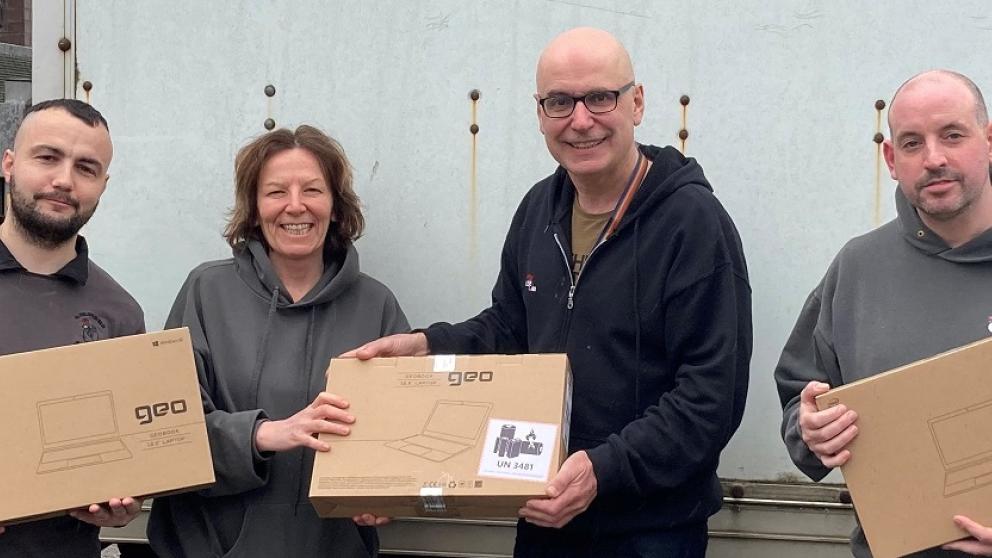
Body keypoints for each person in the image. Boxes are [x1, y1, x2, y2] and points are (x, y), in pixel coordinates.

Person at [345, 27, 751, 557]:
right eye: (560, 101)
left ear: (637, 103)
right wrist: (426, 347)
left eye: (600, 97)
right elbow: (510, 332)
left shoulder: (693, 224)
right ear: (540, 114)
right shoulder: (540, 210)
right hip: (544, 517)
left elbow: (711, 397)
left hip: (651, 529)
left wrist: (603, 470)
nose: (580, 120)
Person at [146, 125, 409, 558]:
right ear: (253, 208)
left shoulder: (376, 304)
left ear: (336, 207)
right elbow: (167, 436)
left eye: (312, 190)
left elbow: (402, 433)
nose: (295, 206)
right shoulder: (205, 292)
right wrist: (264, 434)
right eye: (275, 192)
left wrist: (387, 496)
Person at [775, 70, 992, 557]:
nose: (934, 159)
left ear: (990, 139)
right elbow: (800, 399)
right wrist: (809, 430)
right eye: (912, 143)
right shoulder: (857, 270)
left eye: (952, 135)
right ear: (892, 160)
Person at [0, 99, 145, 556]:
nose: (64, 180)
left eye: (86, 167)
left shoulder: (119, 312)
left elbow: (131, 456)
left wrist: (126, 503)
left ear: (103, 184)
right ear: (8, 163)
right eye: (47, 157)